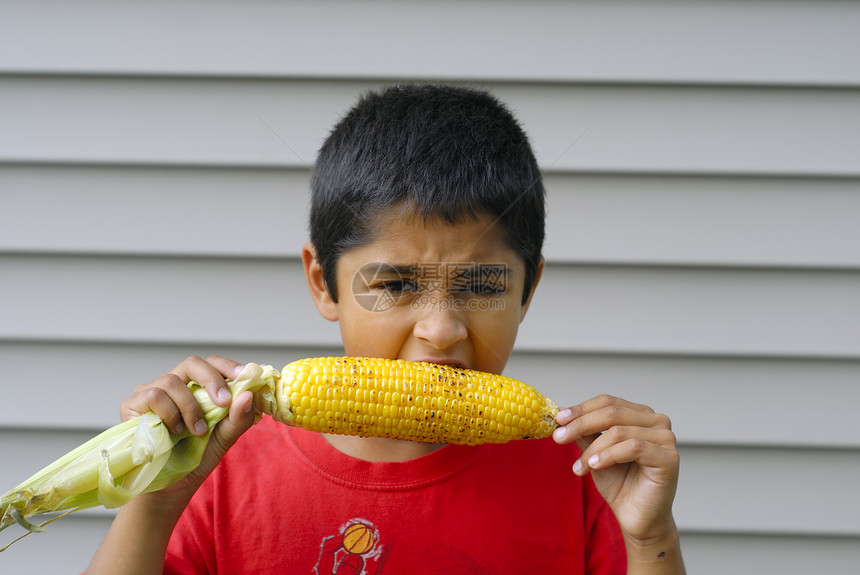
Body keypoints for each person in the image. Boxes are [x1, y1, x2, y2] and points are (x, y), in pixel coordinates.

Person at [86, 85, 684, 574]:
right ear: (324, 285)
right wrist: (153, 503)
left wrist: (650, 535)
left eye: (481, 286)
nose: (442, 329)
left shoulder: (582, 479)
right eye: (395, 285)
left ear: (527, 290)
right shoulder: (215, 472)